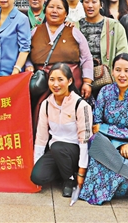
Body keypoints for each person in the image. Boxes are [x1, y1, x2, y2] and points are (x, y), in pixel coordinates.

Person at [79, 53, 128, 205]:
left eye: (127, 70)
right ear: (112, 71)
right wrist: (119, 143)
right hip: (108, 144)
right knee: (95, 141)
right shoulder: (105, 92)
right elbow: (96, 125)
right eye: (118, 70)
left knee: (126, 170)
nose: (122, 75)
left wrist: (119, 138)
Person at [31, 63, 93, 198]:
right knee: (37, 176)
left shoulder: (80, 105)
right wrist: (37, 163)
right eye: (52, 79)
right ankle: (64, 172)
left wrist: (82, 172)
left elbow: (85, 140)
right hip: (56, 151)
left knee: (58, 147)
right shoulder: (46, 104)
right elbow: (41, 137)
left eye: (60, 79)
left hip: (75, 151)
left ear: (70, 81)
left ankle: (69, 180)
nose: (55, 84)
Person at [27, 0, 93, 98]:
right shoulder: (35, 32)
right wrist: (28, 65)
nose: (54, 11)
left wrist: (87, 82)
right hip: (43, 84)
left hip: (71, 84)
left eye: (59, 8)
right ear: (45, 10)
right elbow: (26, 53)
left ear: (66, 13)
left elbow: (86, 58)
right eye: (51, 7)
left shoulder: (74, 32)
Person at [77, 0, 128, 98]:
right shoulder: (76, 26)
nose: (90, 5)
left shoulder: (114, 25)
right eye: (86, 2)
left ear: (101, 4)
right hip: (81, 80)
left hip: (108, 80)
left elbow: (123, 54)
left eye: (94, 1)